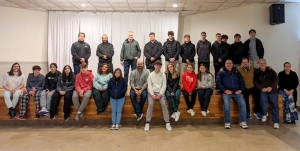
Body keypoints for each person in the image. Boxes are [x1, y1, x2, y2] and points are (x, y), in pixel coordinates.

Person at [217, 60, 248, 129]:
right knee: (227, 105)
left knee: (243, 104)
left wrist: (241, 90)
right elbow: (218, 83)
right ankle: (227, 122)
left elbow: (242, 82)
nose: (229, 64)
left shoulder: (236, 71)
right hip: (226, 92)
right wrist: (225, 90)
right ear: (225, 64)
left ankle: (243, 122)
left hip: (237, 92)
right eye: (227, 63)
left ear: (232, 64)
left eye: (230, 63)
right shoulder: (221, 72)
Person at [144, 60, 172, 132]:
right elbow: (149, 85)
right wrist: (152, 94)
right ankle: (147, 122)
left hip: (160, 93)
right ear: (154, 66)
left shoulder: (163, 74)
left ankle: (167, 122)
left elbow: (164, 85)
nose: (158, 67)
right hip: (152, 93)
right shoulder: (150, 74)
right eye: (157, 65)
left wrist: (160, 94)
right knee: (150, 104)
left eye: (159, 66)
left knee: (163, 104)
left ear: (161, 67)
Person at [254, 59, 279, 129]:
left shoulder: (271, 70)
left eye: (264, 63)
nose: (262, 64)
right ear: (258, 64)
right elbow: (256, 82)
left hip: (273, 90)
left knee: (275, 105)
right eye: (261, 63)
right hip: (263, 90)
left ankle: (276, 122)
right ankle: (264, 113)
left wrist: (271, 87)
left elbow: (276, 80)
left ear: (266, 63)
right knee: (262, 101)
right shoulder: (256, 72)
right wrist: (262, 88)